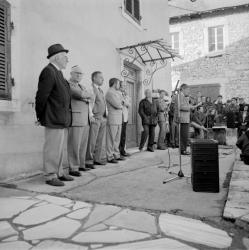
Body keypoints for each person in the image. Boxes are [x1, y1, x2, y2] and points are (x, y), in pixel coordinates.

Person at [35, 43, 73, 186]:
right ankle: (50, 175)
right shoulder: (49, 71)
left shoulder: (58, 72)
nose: (67, 60)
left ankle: (59, 173)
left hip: (61, 118)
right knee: (52, 148)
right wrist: (40, 116)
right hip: (53, 117)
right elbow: (41, 96)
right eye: (65, 57)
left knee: (59, 148)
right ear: (57, 58)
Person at [67, 66, 94, 176]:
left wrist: (86, 96)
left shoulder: (81, 86)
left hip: (85, 118)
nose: (79, 75)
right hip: (76, 118)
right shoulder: (68, 84)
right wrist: (86, 96)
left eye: (80, 74)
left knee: (83, 144)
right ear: (71, 73)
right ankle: (73, 168)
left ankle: (81, 165)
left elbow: (91, 96)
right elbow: (80, 94)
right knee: (74, 145)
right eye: (76, 73)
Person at [86, 71, 107, 169]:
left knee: (100, 140)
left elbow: (104, 103)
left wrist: (106, 115)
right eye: (100, 77)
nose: (102, 79)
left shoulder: (101, 90)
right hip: (95, 117)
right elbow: (89, 103)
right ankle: (89, 161)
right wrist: (91, 115)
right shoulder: (91, 89)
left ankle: (97, 159)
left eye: (103, 77)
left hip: (102, 118)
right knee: (92, 140)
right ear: (94, 78)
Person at [105, 78, 125, 163]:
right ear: (114, 83)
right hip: (112, 118)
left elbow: (123, 102)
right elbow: (118, 105)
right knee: (111, 139)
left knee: (117, 139)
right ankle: (109, 156)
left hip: (118, 119)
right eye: (118, 83)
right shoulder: (110, 93)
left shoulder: (117, 93)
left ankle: (116, 155)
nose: (119, 85)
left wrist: (121, 103)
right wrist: (122, 103)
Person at [174, 84, 192, 155]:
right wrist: (189, 107)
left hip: (185, 118)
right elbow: (180, 107)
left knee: (184, 135)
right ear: (183, 89)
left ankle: (183, 149)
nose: (188, 91)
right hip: (182, 118)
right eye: (187, 90)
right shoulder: (179, 96)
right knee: (183, 135)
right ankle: (183, 150)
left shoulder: (183, 96)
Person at [119, 81, 131, 157]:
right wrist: (125, 103)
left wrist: (125, 101)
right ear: (119, 86)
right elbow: (122, 103)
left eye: (125, 85)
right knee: (119, 136)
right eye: (123, 85)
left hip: (125, 117)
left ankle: (122, 151)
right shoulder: (118, 94)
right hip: (120, 117)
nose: (124, 87)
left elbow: (128, 104)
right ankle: (119, 152)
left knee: (123, 135)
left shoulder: (126, 95)